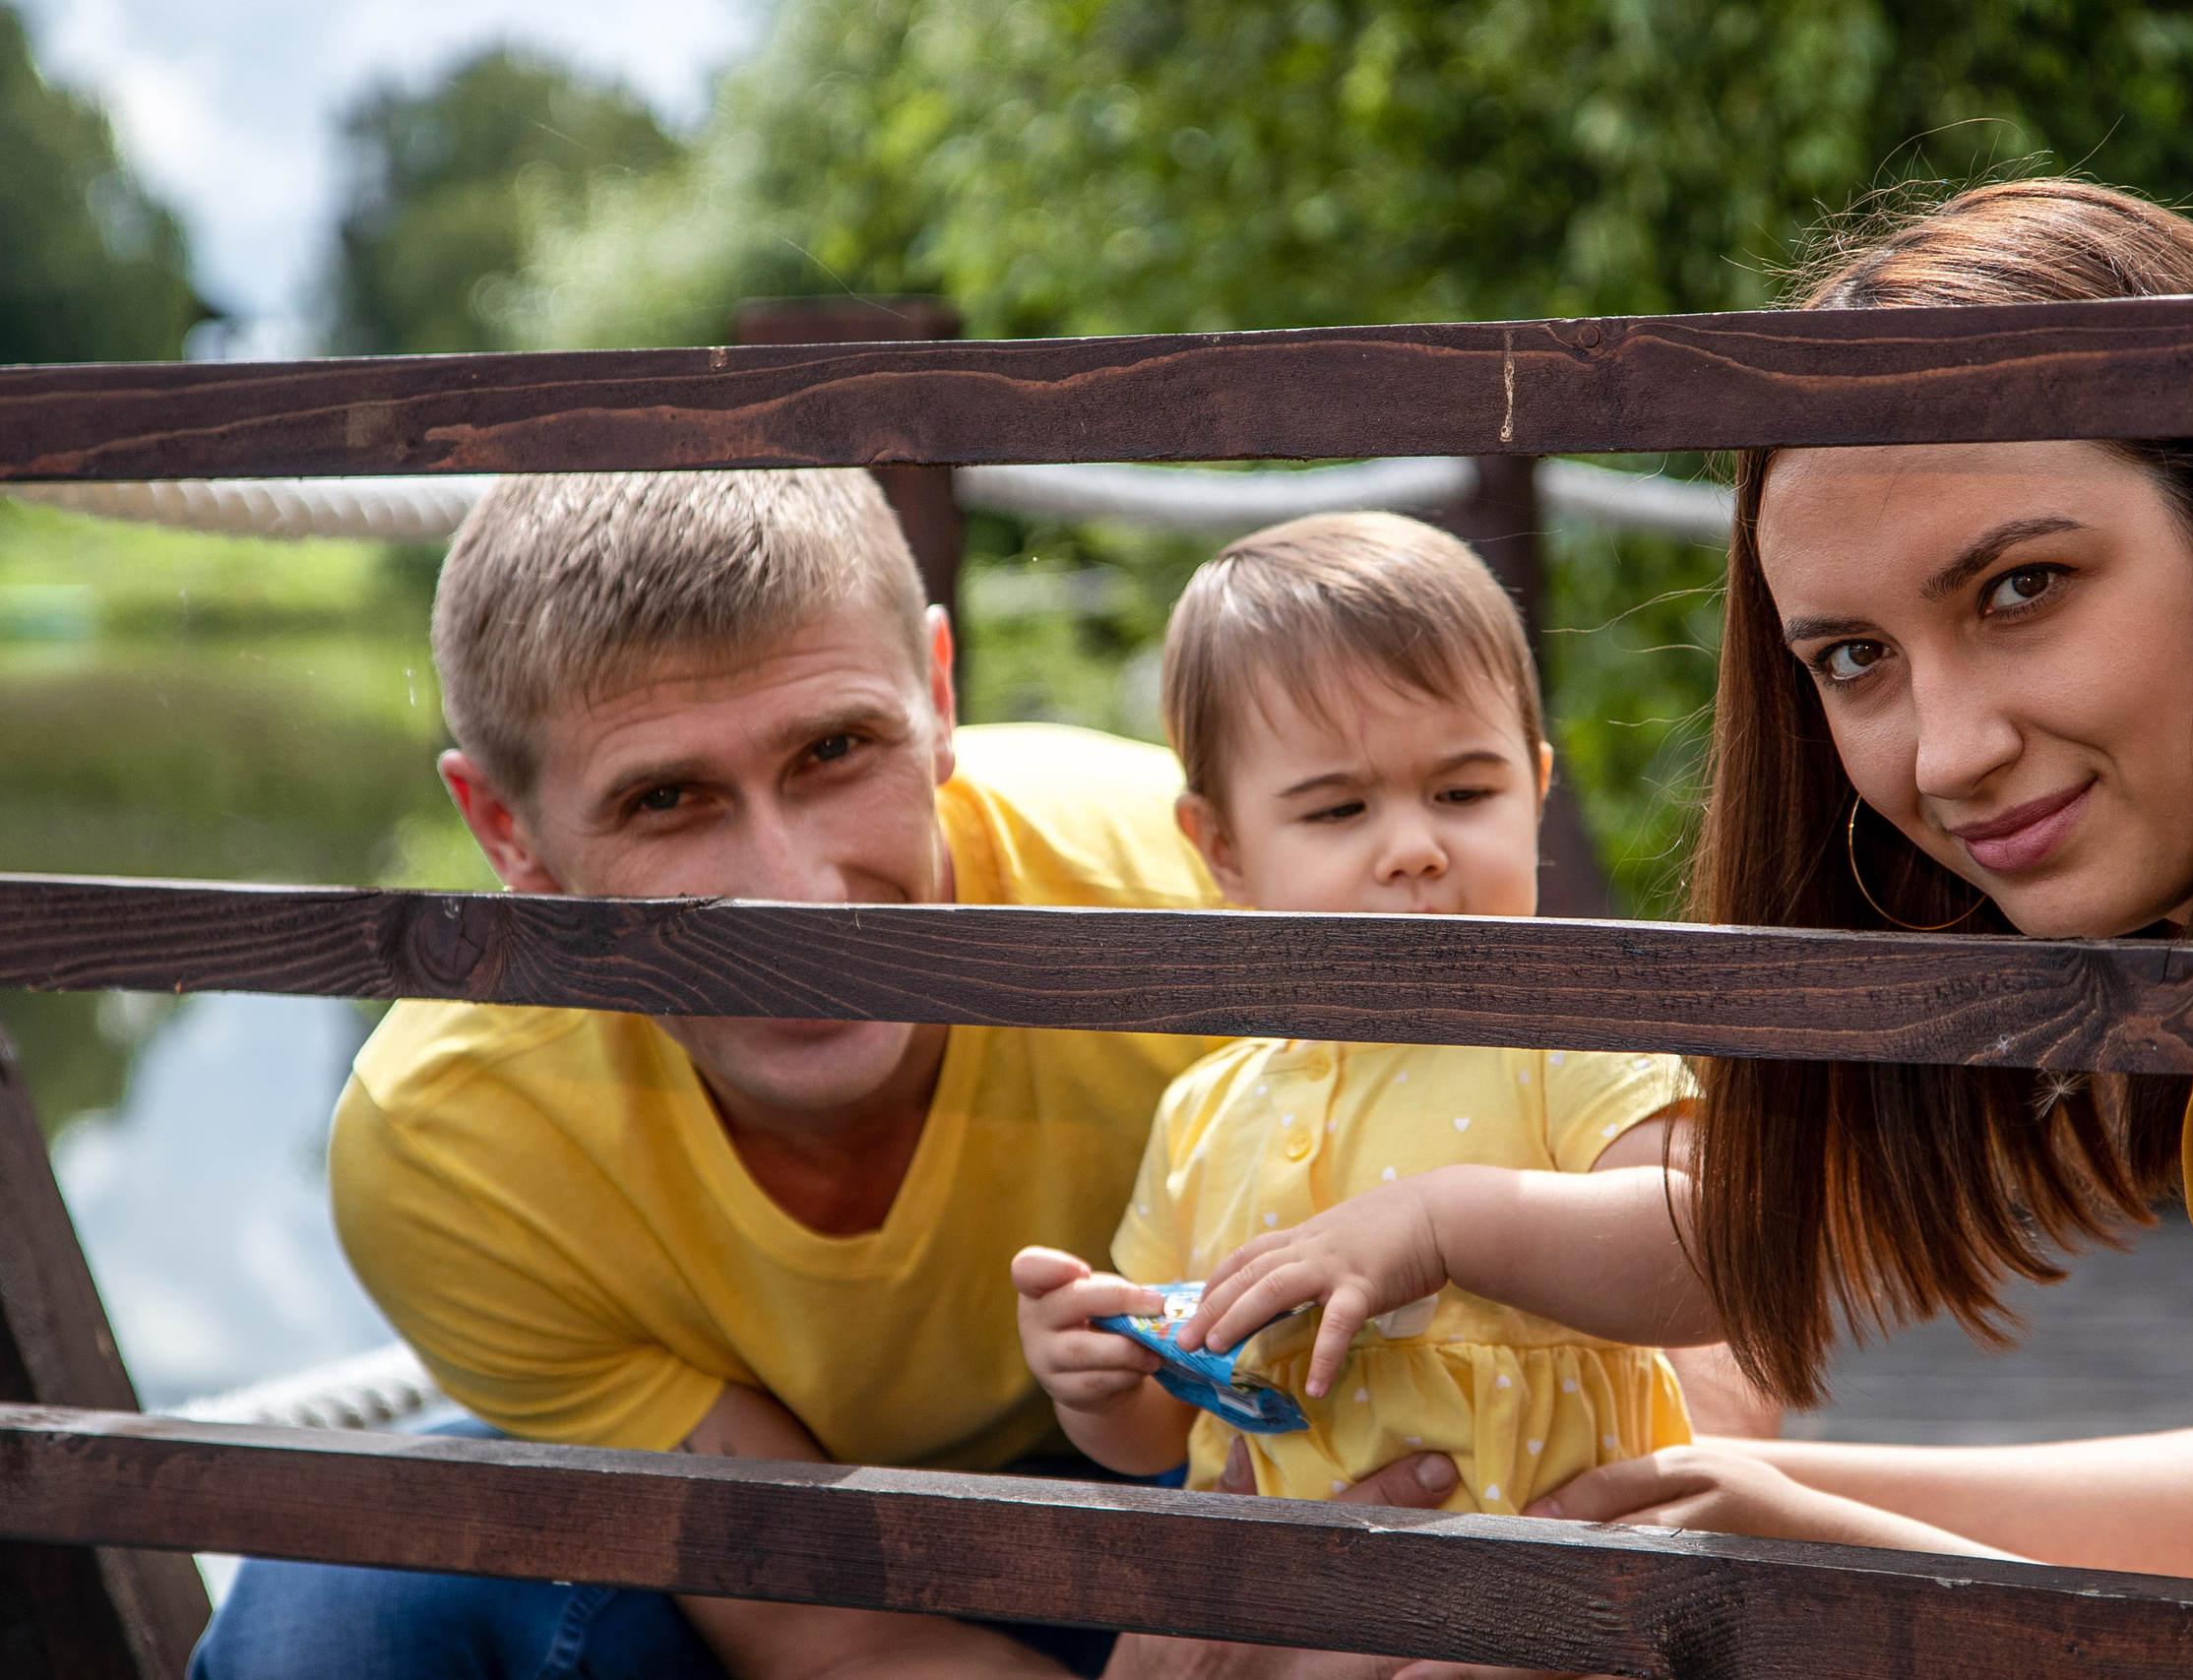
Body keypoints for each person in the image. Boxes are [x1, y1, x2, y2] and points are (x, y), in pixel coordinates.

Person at [1189, 178, 2193, 1615]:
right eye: (1850, 659)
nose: (1949, 754)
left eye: (2023, 586)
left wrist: (1835, 1580)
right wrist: (1785, 1505)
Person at [189, 469, 1472, 1680]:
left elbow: (1597, 1166)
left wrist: (1641, 1521)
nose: (797, 891)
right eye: (666, 798)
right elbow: (824, 1628)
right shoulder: (449, 1139)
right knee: (338, 1600)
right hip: (814, 1571)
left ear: (939, 692)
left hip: (1211, 1481)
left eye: (836, 750)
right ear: (506, 831)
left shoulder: (1215, 895)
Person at [1012, 513, 1711, 1515]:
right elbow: (1166, 1430)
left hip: (1561, 1622)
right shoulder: (1206, 1114)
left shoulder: (1566, 1040)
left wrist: (1442, 1223)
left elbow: (1704, 1263)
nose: (1414, 848)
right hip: (1295, 1640)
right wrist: (1097, 1379)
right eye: (1339, 810)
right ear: (1221, 848)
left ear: (1538, 788)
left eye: (1464, 791)